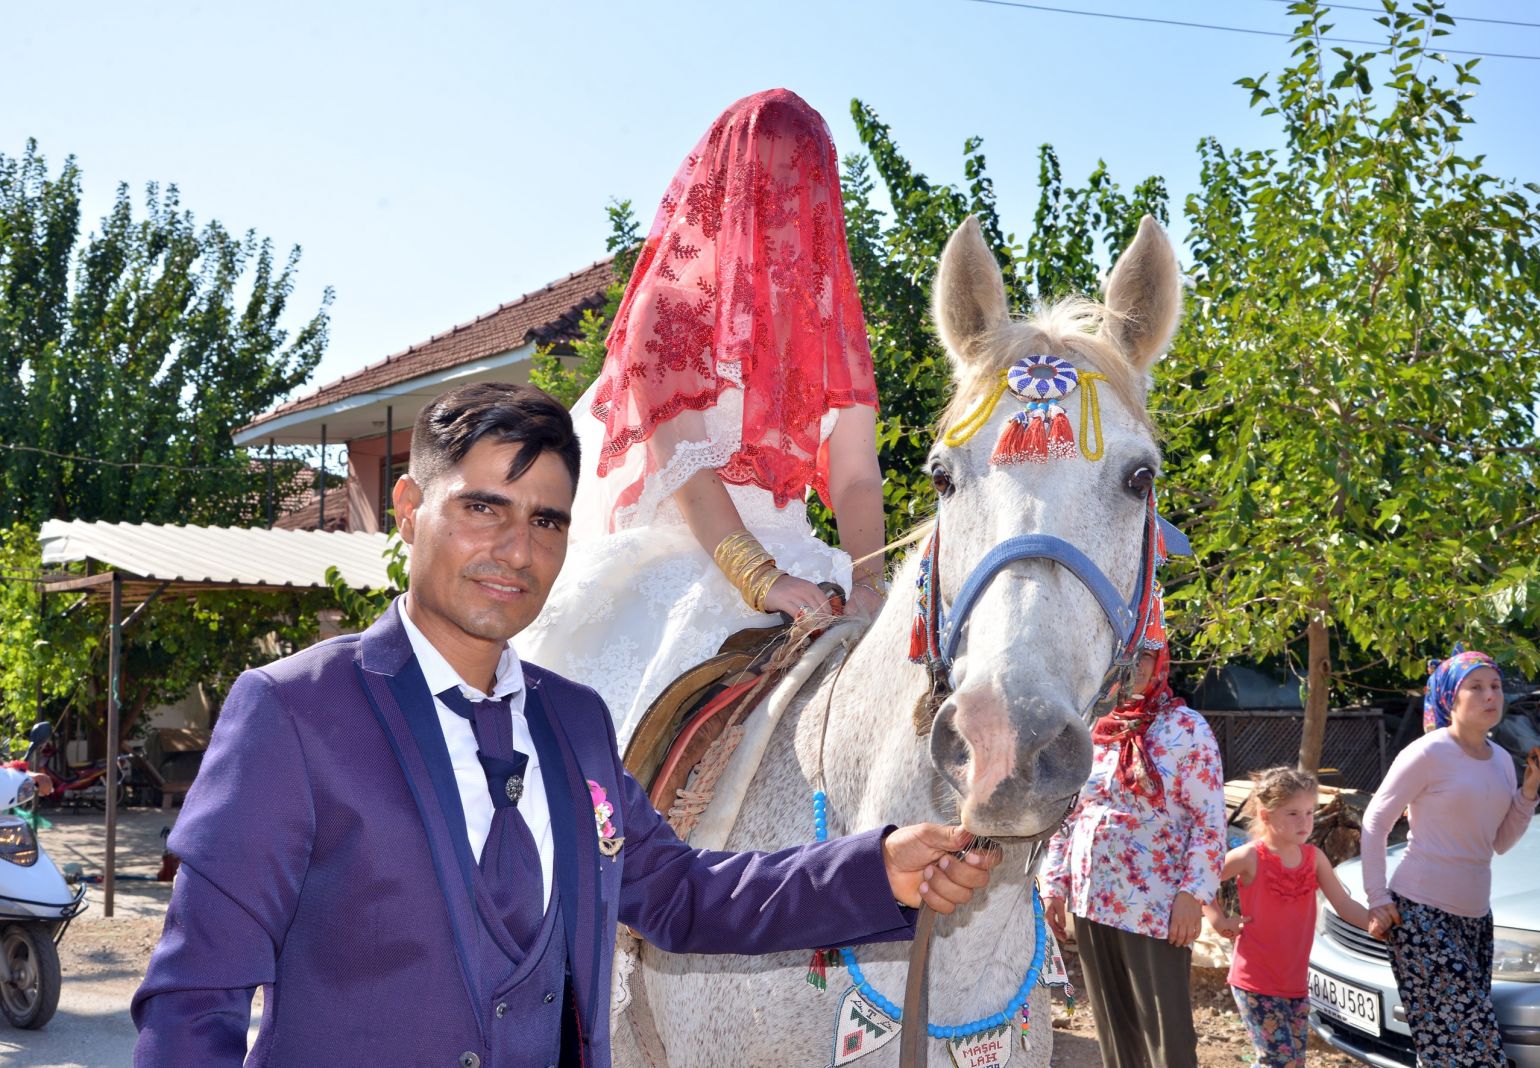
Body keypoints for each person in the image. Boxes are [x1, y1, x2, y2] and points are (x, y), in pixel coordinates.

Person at [130, 382, 998, 1068]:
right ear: (407, 507)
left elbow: (681, 895)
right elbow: (194, 999)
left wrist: (876, 870)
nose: (518, 550)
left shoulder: (573, 720)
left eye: (545, 521)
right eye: (483, 508)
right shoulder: (292, 711)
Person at [513, 88, 886, 743]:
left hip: (808, 568)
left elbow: (856, 475)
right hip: (687, 564)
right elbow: (686, 465)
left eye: (801, 182)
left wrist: (870, 583)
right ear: (729, 185)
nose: (785, 201)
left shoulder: (832, 333)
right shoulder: (667, 311)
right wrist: (762, 579)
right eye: (767, 178)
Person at [1038, 594, 1226, 1068]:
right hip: (1092, 900)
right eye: (1124, 655)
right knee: (1113, 1029)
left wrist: (1193, 895)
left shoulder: (1187, 730)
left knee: (1167, 1036)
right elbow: (1070, 813)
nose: (1133, 667)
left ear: (1160, 659)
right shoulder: (1092, 727)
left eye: (1144, 655)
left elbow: (1209, 823)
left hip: (1156, 908)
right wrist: (1054, 885)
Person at [1361, 646, 1540, 1068]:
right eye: (1476, 687)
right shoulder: (1427, 753)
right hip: (1421, 916)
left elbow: (1499, 842)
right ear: (1450, 698)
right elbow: (1375, 821)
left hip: (1476, 920)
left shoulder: (1502, 761)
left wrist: (1528, 791)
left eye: (1496, 686)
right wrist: (1377, 898)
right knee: (1475, 1046)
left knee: (1447, 1049)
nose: (1491, 695)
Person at [1202, 766, 1371, 1068]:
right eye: (1293, 813)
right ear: (1266, 816)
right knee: (1281, 1062)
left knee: (1290, 1061)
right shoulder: (1250, 856)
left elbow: (1345, 905)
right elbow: (1200, 882)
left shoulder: (1314, 858)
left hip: (1295, 983)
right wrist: (1219, 921)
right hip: (1255, 980)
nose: (1305, 821)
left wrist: (1384, 925)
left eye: (1309, 812)